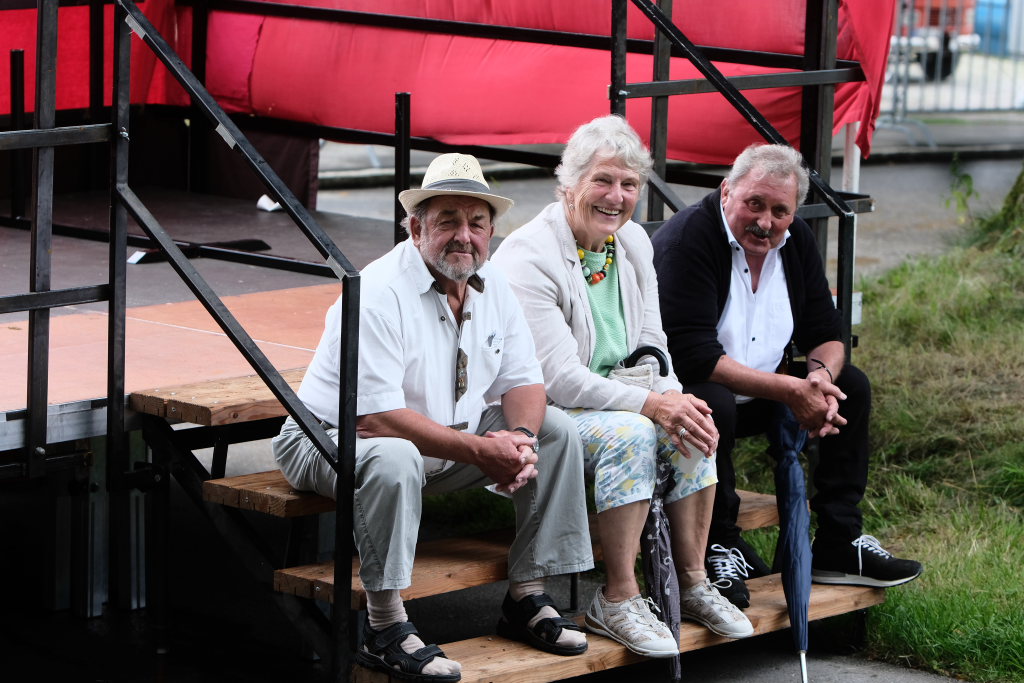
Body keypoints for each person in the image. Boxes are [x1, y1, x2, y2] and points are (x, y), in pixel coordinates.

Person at [272, 153, 594, 682]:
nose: (464, 236)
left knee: (556, 431)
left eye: (477, 223)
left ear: (491, 232)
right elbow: (376, 419)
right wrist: (481, 451)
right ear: (417, 228)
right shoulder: (379, 291)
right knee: (395, 456)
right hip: (327, 437)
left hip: (438, 435)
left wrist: (519, 439)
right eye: (448, 221)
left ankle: (527, 596)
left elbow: (524, 382)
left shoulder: (493, 282)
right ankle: (384, 628)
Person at [492, 115, 753, 659]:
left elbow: (654, 340)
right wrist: (654, 405)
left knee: (694, 419)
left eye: (629, 184)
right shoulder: (529, 256)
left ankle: (692, 582)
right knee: (632, 433)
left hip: (621, 396)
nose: (616, 197)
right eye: (603, 181)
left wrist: (674, 398)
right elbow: (560, 379)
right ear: (569, 184)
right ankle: (618, 597)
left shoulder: (631, 241)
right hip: (545, 410)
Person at [651, 143, 923, 609]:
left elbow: (828, 333)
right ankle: (718, 544)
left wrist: (819, 381)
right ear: (726, 192)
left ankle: (839, 541)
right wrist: (792, 390)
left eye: (780, 211)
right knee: (712, 401)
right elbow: (695, 356)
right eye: (754, 204)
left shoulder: (795, 241)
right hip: (686, 391)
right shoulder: (689, 240)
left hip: (765, 388)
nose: (766, 222)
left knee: (851, 386)